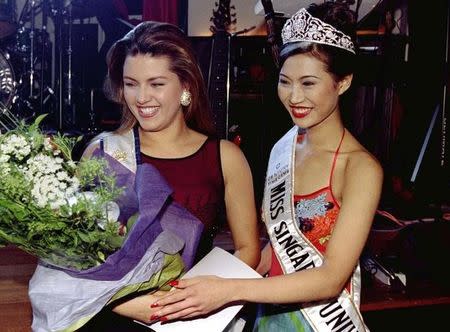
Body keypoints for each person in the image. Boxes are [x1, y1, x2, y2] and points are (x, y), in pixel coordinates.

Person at [149, 3, 383, 331]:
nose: (293, 96)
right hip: (269, 319)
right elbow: (276, 251)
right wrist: (197, 285)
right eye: (285, 81)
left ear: (342, 82)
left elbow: (331, 279)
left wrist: (228, 290)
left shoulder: (361, 170)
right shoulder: (282, 148)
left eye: (308, 83)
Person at [80, 20, 260, 329]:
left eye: (156, 84)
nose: (141, 97)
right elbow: (76, 251)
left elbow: (248, 249)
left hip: (192, 316)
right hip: (114, 315)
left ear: (186, 86)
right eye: (131, 83)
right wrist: (129, 304)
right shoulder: (103, 152)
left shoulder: (225, 157)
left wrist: (202, 298)